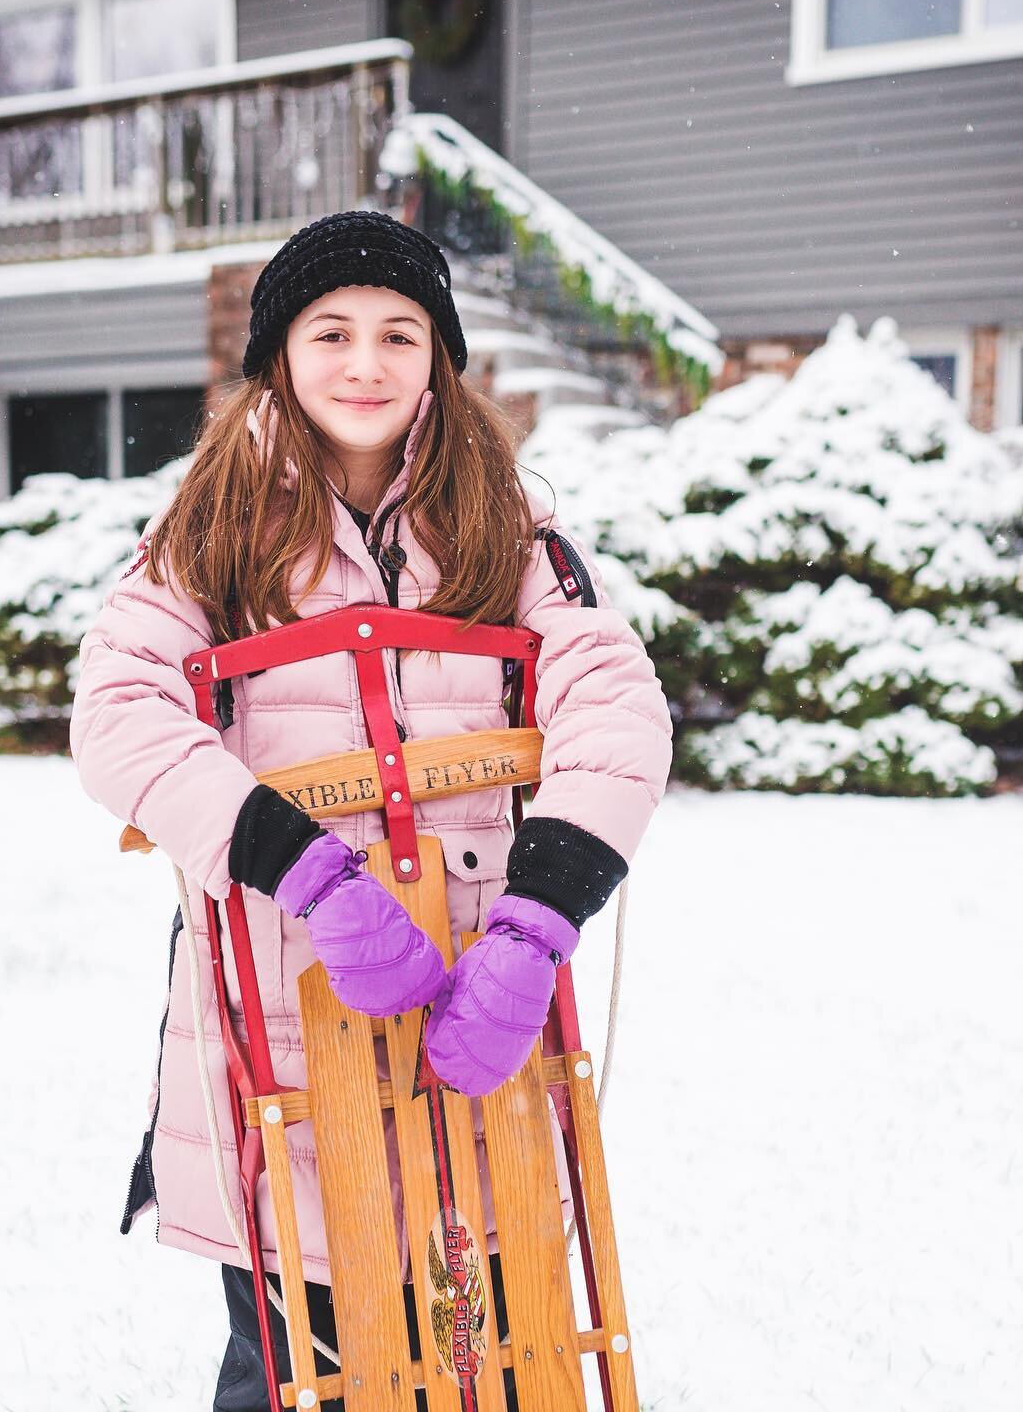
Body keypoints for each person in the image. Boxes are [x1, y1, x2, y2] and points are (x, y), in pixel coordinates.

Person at [69, 209, 672, 1411]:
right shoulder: (208, 537)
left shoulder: (515, 535)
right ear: (279, 358)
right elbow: (120, 713)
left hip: (480, 1011)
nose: (365, 362)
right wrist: (314, 878)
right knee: (305, 1367)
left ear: (439, 360)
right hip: (285, 1028)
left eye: (401, 333)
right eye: (330, 330)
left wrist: (536, 924)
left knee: (492, 1351)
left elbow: (614, 707)